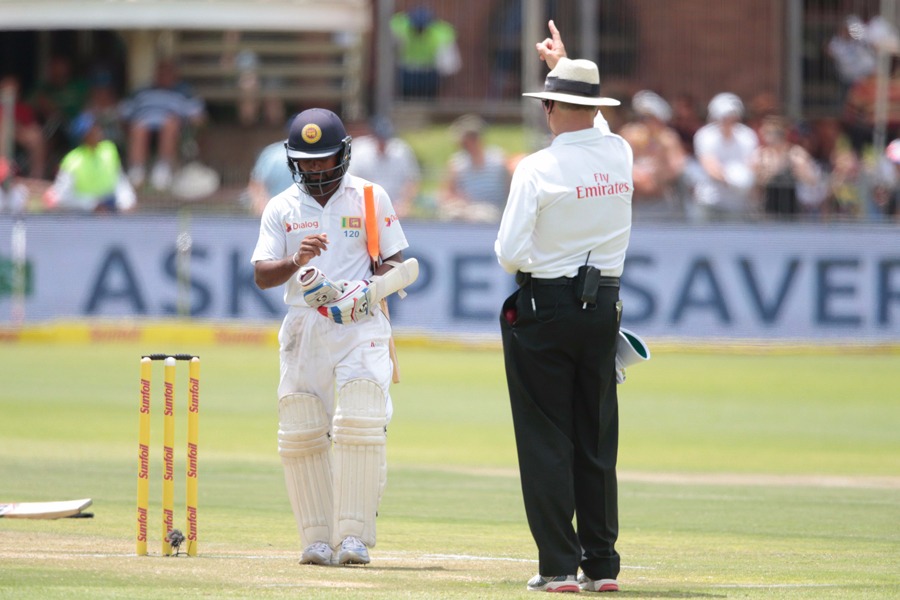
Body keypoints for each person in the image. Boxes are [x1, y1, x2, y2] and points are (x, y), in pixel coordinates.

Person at [495, 20, 632, 594]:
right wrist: (566, 68)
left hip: (546, 305)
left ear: (549, 106)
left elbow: (508, 253)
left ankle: (558, 566)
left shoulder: (538, 167)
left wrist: (544, 262)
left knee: (546, 436)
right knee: (596, 437)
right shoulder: (619, 152)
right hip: (603, 305)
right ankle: (601, 566)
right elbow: (591, 122)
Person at [251, 108, 409, 567]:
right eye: (307, 160)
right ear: (293, 160)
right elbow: (263, 275)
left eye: (324, 159)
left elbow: (399, 264)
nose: (317, 169)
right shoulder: (282, 207)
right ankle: (318, 539)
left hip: (361, 321)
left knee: (360, 418)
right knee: (302, 425)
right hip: (305, 323)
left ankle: (355, 536)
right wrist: (296, 262)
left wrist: (368, 290)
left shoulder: (370, 197)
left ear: (343, 154)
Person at [119, 59, 206, 191]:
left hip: (172, 127)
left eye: (168, 72)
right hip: (144, 124)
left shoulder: (184, 92)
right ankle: (137, 171)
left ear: (174, 75)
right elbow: (124, 113)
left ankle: (163, 169)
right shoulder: (141, 91)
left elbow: (198, 116)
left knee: (170, 124)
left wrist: (192, 126)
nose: (164, 76)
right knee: (138, 126)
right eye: (161, 72)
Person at [42, 111, 136, 213]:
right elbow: (62, 196)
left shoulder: (109, 150)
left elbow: (120, 181)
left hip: (111, 208)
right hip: (83, 214)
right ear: (84, 135)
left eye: (97, 127)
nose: (97, 131)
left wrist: (127, 201)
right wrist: (91, 204)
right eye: (92, 129)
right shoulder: (72, 160)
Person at [690, 92, 759, 222]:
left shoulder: (747, 136)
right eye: (724, 117)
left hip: (737, 204)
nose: (728, 121)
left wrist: (747, 179)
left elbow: (752, 164)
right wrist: (733, 180)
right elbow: (709, 165)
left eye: (732, 117)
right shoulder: (705, 136)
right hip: (709, 201)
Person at [618, 90, 687, 219]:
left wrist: (657, 176)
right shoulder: (629, 134)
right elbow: (619, 163)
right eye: (643, 118)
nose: (646, 122)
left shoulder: (668, 138)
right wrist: (637, 175)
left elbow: (678, 165)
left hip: (662, 200)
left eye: (650, 118)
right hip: (635, 201)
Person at [438, 113, 510, 222]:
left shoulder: (498, 160)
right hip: (465, 207)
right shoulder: (457, 162)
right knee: (451, 215)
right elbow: (446, 193)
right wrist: (457, 200)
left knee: (483, 217)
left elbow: (510, 189)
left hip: (491, 208)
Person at [347, 116, 421, 218]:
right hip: (365, 207)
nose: (382, 143)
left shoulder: (402, 151)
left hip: (396, 209)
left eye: (385, 139)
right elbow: (350, 182)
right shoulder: (359, 151)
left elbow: (411, 181)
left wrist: (405, 204)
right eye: (379, 138)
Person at [390, 6, 460, 99]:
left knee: (428, 100)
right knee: (406, 100)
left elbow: (449, 65)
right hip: (407, 71)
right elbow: (389, 48)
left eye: (422, 28)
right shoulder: (400, 27)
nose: (419, 31)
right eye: (416, 28)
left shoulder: (441, 33)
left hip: (429, 74)